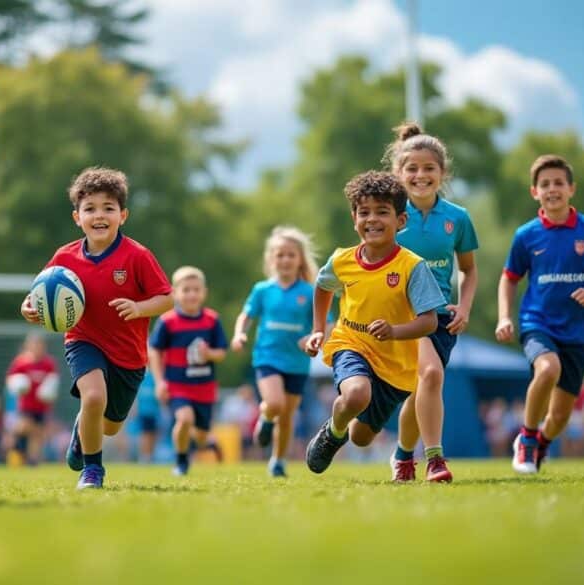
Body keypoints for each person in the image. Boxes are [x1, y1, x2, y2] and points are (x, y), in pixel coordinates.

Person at [20, 167, 172, 489]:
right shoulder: (65, 257)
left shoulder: (138, 256)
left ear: (123, 215)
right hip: (83, 341)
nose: (99, 215)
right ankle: (93, 471)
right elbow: (39, 292)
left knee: (112, 425)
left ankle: (80, 436)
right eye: (90, 208)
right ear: (77, 217)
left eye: (108, 208)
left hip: (129, 356)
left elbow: (166, 299)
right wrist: (29, 308)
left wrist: (139, 308)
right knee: (92, 397)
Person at [302, 171, 445, 474]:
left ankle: (340, 430)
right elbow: (323, 286)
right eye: (364, 212)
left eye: (382, 212)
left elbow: (430, 322)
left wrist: (395, 331)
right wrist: (318, 329)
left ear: (401, 221)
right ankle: (330, 435)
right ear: (354, 218)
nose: (372, 219)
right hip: (351, 344)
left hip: (395, 367)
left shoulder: (412, 267)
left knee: (362, 437)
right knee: (355, 394)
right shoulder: (342, 260)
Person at [496, 155, 584, 475]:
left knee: (559, 417)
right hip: (536, 323)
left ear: (571, 189)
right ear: (534, 192)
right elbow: (509, 279)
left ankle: (541, 441)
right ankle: (525, 439)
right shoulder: (525, 235)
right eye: (545, 184)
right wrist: (504, 317)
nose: (552, 189)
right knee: (547, 367)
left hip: (578, 331)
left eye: (558, 183)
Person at [386, 122, 479, 483]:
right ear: (398, 173)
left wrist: (465, 307)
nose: (420, 175)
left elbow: (469, 271)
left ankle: (401, 456)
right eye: (412, 168)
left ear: (443, 173)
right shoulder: (388, 214)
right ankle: (435, 459)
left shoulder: (458, 218)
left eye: (429, 168)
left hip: (441, 318)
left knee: (421, 386)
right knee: (431, 374)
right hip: (400, 316)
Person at [231, 226, 317, 477]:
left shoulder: (310, 292)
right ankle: (266, 418)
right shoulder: (262, 290)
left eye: (291, 254)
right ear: (271, 259)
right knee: (275, 403)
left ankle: (277, 461)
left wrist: (312, 338)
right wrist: (239, 333)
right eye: (280, 254)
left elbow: (327, 324)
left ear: (300, 259)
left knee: (288, 415)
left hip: (298, 363)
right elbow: (246, 316)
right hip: (267, 356)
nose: (286, 260)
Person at [149, 266, 229, 476]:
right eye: (186, 290)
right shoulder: (167, 322)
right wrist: (159, 382)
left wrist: (209, 354)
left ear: (204, 292)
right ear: (175, 293)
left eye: (196, 289)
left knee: (200, 436)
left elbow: (221, 353)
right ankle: (181, 462)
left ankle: (208, 443)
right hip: (177, 386)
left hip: (204, 388)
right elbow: (154, 351)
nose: (192, 294)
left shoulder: (212, 320)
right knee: (184, 419)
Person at [4, 331, 59, 466]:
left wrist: (49, 393)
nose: (37, 347)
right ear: (28, 346)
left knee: (37, 434)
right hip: (26, 406)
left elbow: (53, 382)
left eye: (40, 345)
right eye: (34, 345)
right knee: (27, 428)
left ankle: (33, 460)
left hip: (42, 406)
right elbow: (10, 380)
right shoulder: (21, 362)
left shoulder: (49, 363)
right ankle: (15, 446)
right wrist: (17, 385)